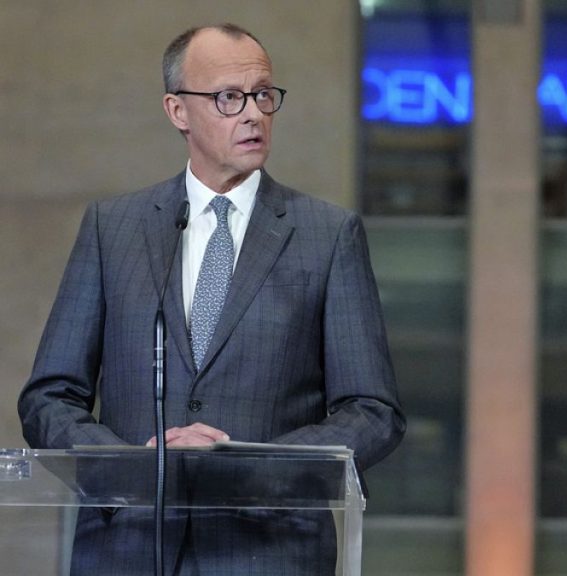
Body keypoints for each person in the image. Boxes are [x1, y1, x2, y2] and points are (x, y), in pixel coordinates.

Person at [18, 23, 405, 575]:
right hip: (128, 548)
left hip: (269, 550)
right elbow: (50, 397)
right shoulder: (115, 229)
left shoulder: (328, 235)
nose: (253, 113)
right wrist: (132, 469)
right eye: (229, 97)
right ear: (178, 111)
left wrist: (248, 469)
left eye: (263, 95)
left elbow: (373, 411)